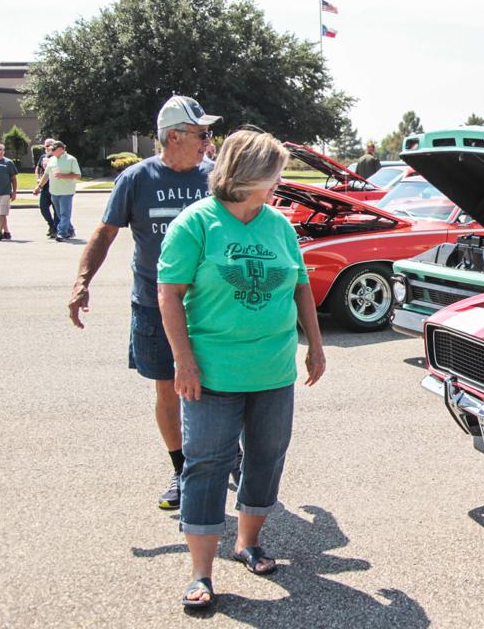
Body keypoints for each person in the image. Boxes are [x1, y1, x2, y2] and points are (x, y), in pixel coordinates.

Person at [157, 128, 326, 610]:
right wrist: (183, 361)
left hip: (273, 370)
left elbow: (299, 289)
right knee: (206, 465)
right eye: (275, 173)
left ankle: (248, 542)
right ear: (251, 175)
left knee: (267, 456)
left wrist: (314, 346)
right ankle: (201, 572)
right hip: (211, 373)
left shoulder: (278, 224)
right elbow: (168, 294)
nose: (280, 182)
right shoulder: (196, 224)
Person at [68, 95, 221, 511]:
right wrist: (82, 282)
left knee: (222, 384)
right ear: (173, 136)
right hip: (154, 305)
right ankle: (181, 469)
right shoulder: (137, 179)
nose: (208, 141)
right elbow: (104, 233)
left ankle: (229, 457)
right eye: (201, 133)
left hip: (212, 306)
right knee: (169, 388)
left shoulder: (216, 177)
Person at [33, 141, 81, 240]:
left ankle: (62, 233)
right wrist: (39, 187)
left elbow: (77, 175)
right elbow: (46, 175)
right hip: (54, 191)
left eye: (54, 149)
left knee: (64, 213)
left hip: (66, 192)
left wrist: (62, 176)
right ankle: (70, 230)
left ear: (61, 149)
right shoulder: (52, 160)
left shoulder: (71, 159)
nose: (52, 151)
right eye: (52, 150)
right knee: (59, 214)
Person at [35, 139, 57, 238]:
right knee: (43, 207)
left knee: (56, 209)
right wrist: (38, 179)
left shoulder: (57, 157)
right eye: (46, 146)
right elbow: (38, 168)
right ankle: (51, 225)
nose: (47, 148)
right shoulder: (43, 157)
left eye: (49, 145)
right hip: (45, 187)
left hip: (56, 187)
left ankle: (56, 228)